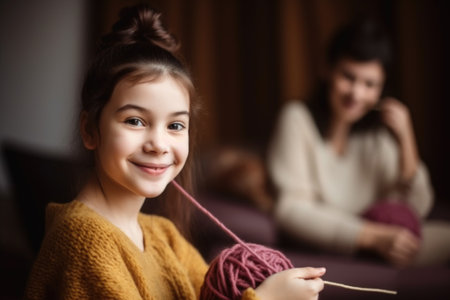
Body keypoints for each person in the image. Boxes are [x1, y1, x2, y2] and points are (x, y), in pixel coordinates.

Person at [24, 4, 325, 299]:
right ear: (90, 129)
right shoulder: (83, 241)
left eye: (176, 126)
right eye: (135, 121)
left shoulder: (162, 235)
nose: (158, 144)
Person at [268, 18, 450, 267]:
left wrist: (407, 138)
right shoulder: (296, 119)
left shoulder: (377, 138)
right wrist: (373, 237)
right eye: (348, 77)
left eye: (370, 84)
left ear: (381, 87)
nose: (356, 93)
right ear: (326, 69)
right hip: (336, 243)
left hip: (383, 242)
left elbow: (416, 208)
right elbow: (290, 212)